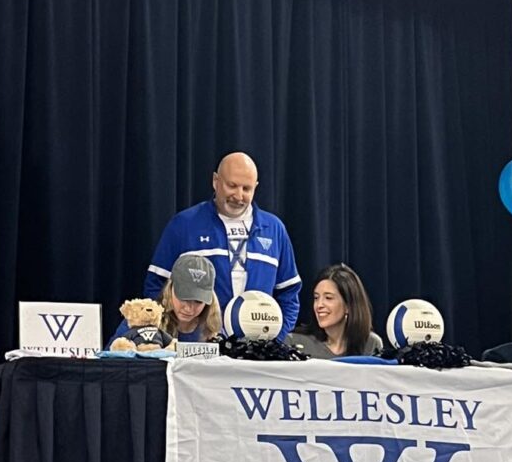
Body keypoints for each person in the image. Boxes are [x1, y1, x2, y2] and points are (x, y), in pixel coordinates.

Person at [143, 152, 301, 337]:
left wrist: (276, 338)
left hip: (257, 354)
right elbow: (156, 288)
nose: (239, 195)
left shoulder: (274, 229)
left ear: (256, 188)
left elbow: (290, 293)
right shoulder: (184, 225)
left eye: (246, 188)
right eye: (232, 186)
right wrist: (178, 337)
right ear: (215, 181)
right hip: (198, 352)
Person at [107, 254, 222, 346]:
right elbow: (110, 362)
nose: (189, 308)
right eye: (183, 298)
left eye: (198, 301)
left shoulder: (213, 330)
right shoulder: (143, 317)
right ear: (169, 289)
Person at [287, 263, 383, 359]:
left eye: (328, 298)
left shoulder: (371, 344)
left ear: (348, 306)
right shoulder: (294, 342)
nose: (319, 305)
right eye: (316, 298)